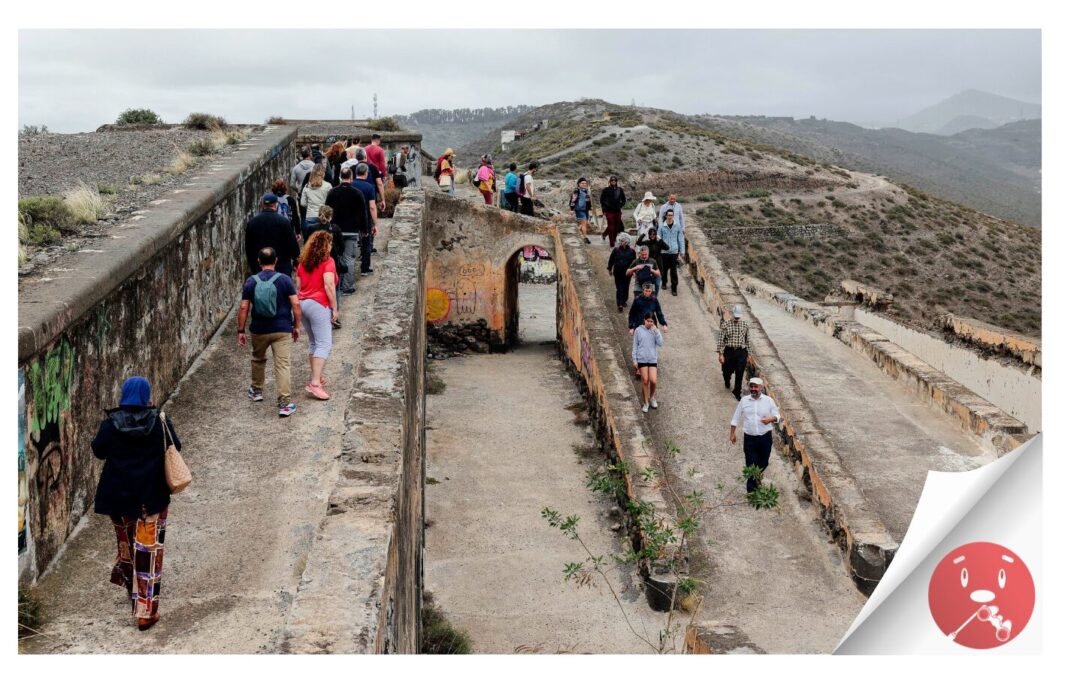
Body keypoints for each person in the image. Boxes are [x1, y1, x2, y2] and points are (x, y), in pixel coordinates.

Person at [92, 376, 180, 631]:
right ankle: (145, 611)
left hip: (117, 499)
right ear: (146, 396)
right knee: (148, 553)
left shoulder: (111, 423)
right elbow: (177, 447)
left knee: (128, 545)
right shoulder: (159, 422)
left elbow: (98, 450)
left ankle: (134, 593)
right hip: (150, 499)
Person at [239, 247, 301, 417]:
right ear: (276, 260)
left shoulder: (251, 281)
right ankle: (285, 404)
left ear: (259, 262)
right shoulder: (285, 280)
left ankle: (257, 391)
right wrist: (296, 326)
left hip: (259, 329)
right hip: (281, 329)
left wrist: (241, 330)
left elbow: (244, 307)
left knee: (258, 359)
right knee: (282, 365)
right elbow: (296, 304)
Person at [294, 230, 339, 401]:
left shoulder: (302, 263)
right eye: (330, 243)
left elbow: (298, 287)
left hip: (303, 304)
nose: (331, 246)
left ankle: (316, 376)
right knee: (324, 344)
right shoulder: (328, 262)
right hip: (319, 304)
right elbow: (328, 285)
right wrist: (334, 308)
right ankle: (315, 383)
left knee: (314, 342)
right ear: (325, 246)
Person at [729, 377, 781, 493]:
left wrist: (771, 418)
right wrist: (732, 434)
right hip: (750, 438)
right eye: (751, 386)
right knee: (750, 464)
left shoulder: (768, 401)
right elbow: (735, 417)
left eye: (756, 386)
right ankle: (752, 492)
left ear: (761, 387)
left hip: (765, 437)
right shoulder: (744, 401)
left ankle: (757, 478)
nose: (753, 389)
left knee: (764, 462)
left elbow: (777, 416)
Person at [325, 167, 370, 295]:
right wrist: (365, 229)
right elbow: (363, 213)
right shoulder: (357, 193)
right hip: (351, 230)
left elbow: (327, 210)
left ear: (340, 177)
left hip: (335, 230)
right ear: (351, 177)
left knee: (335, 257)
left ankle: (337, 283)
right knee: (349, 258)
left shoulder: (332, 192)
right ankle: (347, 286)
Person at [246, 193, 300, 277]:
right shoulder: (283, 222)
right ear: (276, 205)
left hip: (261, 266)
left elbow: (248, 247)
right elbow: (292, 243)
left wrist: (252, 264)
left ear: (263, 204)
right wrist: (296, 261)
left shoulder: (252, 223)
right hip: (281, 265)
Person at [632, 312, 664, 413]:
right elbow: (635, 346)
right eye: (648, 321)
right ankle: (646, 402)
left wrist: (656, 331)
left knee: (653, 380)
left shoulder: (654, 331)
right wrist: (634, 360)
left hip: (652, 359)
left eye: (651, 321)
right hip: (642, 359)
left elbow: (660, 343)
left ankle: (652, 397)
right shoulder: (638, 330)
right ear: (644, 320)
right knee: (645, 380)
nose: (650, 323)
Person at [718, 304, 751, 401]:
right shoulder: (726, 324)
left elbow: (747, 340)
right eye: (735, 316)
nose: (737, 318)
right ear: (732, 314)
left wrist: (748, 354)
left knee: (740, 372)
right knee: (726, 370)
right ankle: (727, 379)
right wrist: (720, 354)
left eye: (738, 316)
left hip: (741, 352)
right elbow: (721, 340)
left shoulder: (745, 325)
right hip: (729, 351)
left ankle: (737, 392)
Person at [353, 163, 379, 275]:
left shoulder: (351, 184)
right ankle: (365, 268)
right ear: (366, 173)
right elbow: (372, 207)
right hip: (365, 217)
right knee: (366, 242)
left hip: (352, 217)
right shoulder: (369, 187)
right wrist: (375, 223)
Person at [300, 164, 333, 238]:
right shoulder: (328, 186)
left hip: (310, 216)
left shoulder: (307, 186)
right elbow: (331, 202)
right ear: (323, 174)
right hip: (324, 216)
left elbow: (303, 203)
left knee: (312, 241)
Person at [658, 208, 685, 296]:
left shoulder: (677, 226)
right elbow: (658, 239)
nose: (670, 217)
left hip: (674, 252)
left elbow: (680, 239)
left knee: (673, 271)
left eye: (671, 215)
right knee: (664, 269)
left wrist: (682, 251)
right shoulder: (661, 226)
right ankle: (664, 283)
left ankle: (674, 288)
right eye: (668, 215)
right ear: (666, 216)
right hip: (664, 252)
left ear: (673, 216)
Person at [606, 234, 636, 311]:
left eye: (625, 240)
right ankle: (620, 304)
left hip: (627, 273)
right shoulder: (616, 250)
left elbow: (634, 262)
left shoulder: (632, 251)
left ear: (628, 241)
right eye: (622, 240)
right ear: (620, 241)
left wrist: (634, 271)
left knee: (626, 287)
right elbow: (611, 260)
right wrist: (610, 269)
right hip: (618, 272)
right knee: (619, 288)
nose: (623, 242)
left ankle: (624, 300)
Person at [636, 227, 668, 297]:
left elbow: (667, 247)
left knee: (657, 284)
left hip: (658, 267)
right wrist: (644, 233)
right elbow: (638, 242)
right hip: (649, 266)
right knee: (647, 286)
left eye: (654, 234)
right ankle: (647, 297)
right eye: (650, 234)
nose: (652, 235)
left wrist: (660, 239)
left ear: (656, 234)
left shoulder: (659, 242)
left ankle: (655, 298)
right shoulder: (647, 242)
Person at [599, 175, 626, 246]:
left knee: (616, 226)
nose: (613, 182)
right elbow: (602, 200)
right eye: (612, 180)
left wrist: (620, 205)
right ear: (610, 181)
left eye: (615, 180)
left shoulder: (620, 190)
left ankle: (605, 235)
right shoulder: (606, 190)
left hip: (617, 211)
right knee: (611, 226)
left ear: (616, 181)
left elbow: (624, 200)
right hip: (609, 211)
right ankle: (612, 242)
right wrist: (604, 209)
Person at [569, 177, 593, 243]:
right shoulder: (576, 191)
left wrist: (590, 207)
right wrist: (572, 209)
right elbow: (573, 200)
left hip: (586, 209)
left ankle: (577, 233)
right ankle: (585, 238)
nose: (584, 184)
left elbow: (588, 201)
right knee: (584, 223)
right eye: (582, 183)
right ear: (579, 184)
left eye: (585, 183)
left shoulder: (586, 191)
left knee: (585, 223)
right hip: (579, 209)